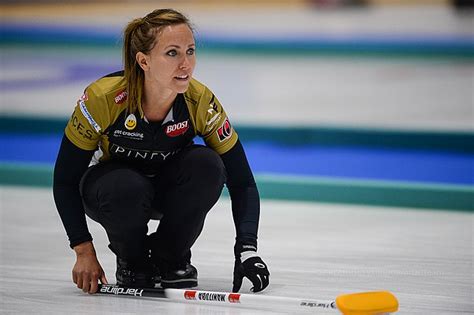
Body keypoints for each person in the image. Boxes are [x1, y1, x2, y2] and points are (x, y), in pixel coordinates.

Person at [53, 8, 270, 295]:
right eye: (172, 53)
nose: (186, 64)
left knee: (208, 164)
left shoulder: (200, 101)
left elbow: (243, 181)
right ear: (144, 61)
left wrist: (246, 250)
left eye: (190, 51)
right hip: (115, 194)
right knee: (126, 185)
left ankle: (171, 257)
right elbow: (66, 180)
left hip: (166, 192)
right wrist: (83, 251)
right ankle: (133, 259)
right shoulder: (102, 99)